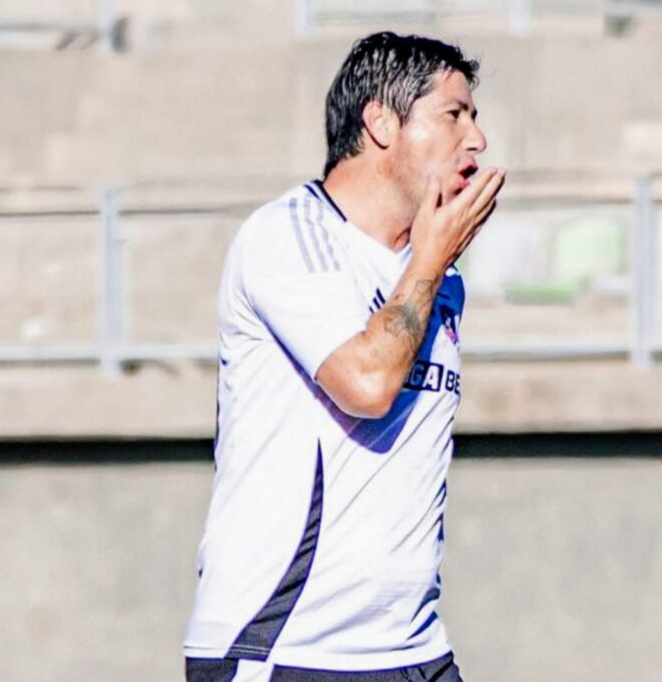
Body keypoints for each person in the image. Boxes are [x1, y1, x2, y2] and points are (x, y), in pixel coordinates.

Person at [184, 31, 505, 681]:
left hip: (414, 651)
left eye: (474, 117)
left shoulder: (437, 275)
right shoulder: (287, 237)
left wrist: (432, 262)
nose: (477, 139)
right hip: (289, 653)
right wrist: (433, 257)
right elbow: (366, 382)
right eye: (454, 115)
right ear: (382, 123)